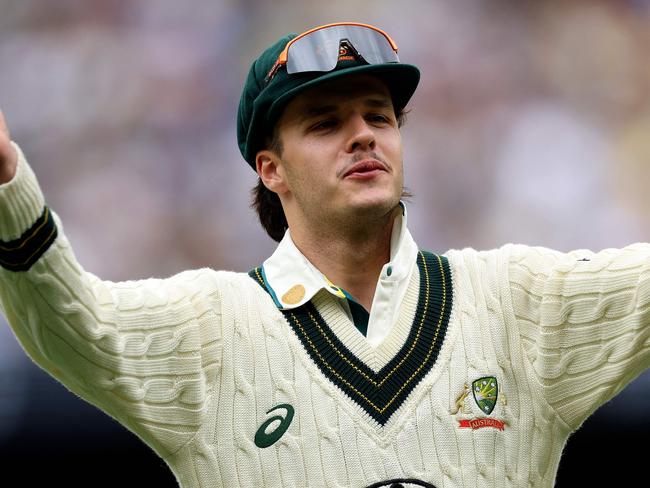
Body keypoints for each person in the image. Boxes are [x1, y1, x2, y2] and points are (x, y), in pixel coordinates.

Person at [0, 21, 648, 488]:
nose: (363, 133)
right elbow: (74, 322)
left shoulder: (516, 299)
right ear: (271, 169)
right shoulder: (211, 326)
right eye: (326, 123)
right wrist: (8, 182)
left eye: (379, 115)